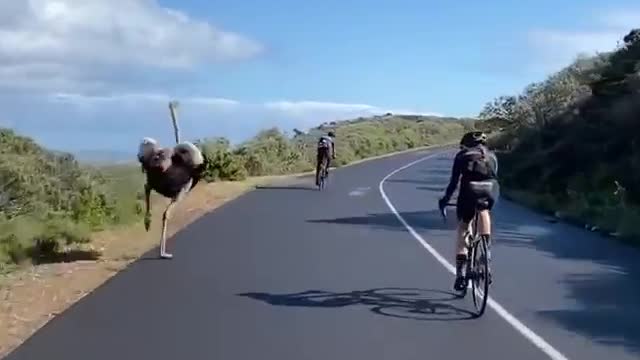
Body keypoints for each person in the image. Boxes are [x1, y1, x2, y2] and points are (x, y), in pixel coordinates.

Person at [438, 131, 499, 291]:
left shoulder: (462, 155)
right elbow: (495, 176)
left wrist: (445, 200)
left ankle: (461, 274)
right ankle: (486, 248)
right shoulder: (492, 156)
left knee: (464, 226)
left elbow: (453, 182)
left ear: (466, 144)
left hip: (468, 191)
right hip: (490, 189)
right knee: (484, 210)